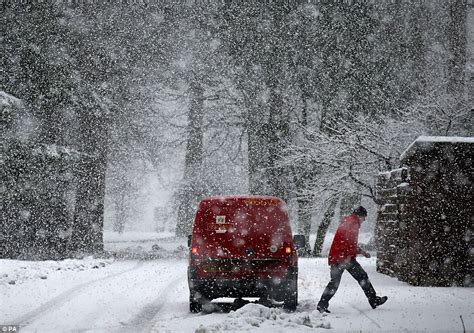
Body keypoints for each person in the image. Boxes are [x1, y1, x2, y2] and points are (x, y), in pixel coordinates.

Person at [317, 206, 387, 313]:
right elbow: (347, 242)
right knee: (361, 277)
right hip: (343, 258)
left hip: (340, 257)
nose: (364, 220)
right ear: (360, 216)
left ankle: (322, 305)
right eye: (364, 217)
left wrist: (362, 252)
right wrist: (348, 256)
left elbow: (350, 243)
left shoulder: (349, 221)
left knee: (335, 283)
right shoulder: (353, 223)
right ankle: (374, 300)